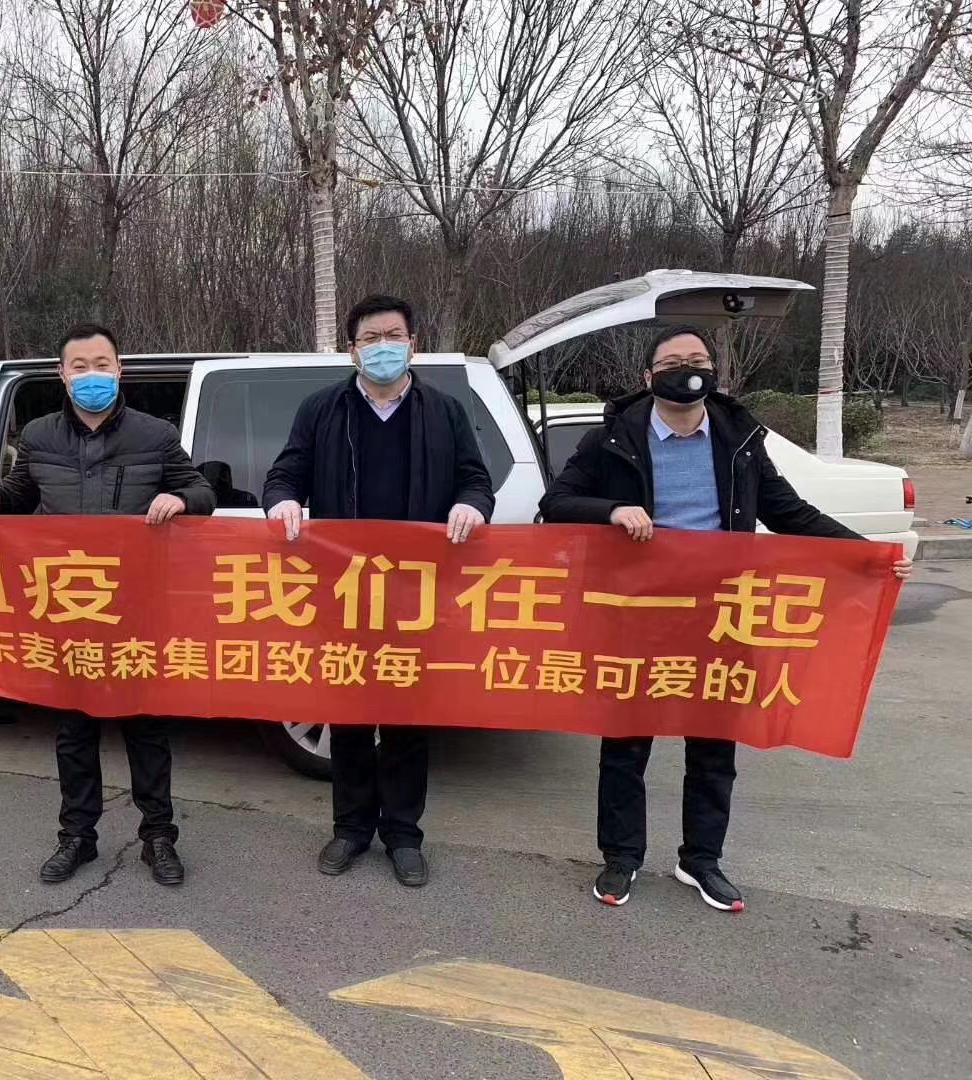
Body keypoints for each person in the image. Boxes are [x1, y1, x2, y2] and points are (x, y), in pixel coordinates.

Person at [540, 324, 914, 912]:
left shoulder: (739, 439)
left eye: (697, 360)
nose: (687, 370)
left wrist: (868, 555)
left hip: (723, 615)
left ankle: (701, 861)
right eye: (672, 362)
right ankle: (621, 858)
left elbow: (790, 512)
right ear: (648, 377)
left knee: (714, 746)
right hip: (638, 614)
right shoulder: (611, 438)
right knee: (626, 744)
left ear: (714, 371)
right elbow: (555, 505)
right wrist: (612, 509)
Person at [0, 323, 214, 887]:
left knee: (146, 728)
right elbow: (20, 493)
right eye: (80, 366)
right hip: (70, 606)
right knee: (74, 729)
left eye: (102, 364)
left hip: (138, 605)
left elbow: (204, 491)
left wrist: (180, 497)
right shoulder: (40, 435)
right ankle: (77, 837)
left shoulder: (155, 434)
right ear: (62, 375)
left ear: (120, 370)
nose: (91, 375)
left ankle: (159, 837)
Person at [262, 294, 495, 888]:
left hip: (418, 590)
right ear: (353, 350)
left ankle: (404, 835)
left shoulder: (443, 412)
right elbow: (286, 472)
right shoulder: (322, 409)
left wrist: (472, 505)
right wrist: (282, 500)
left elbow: (475, 479)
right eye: (370, 338)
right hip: (344, 589)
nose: (383, 347)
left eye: (393, 336)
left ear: (413, 343)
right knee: (348, 715)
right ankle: (350, 829)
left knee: (407, 717)